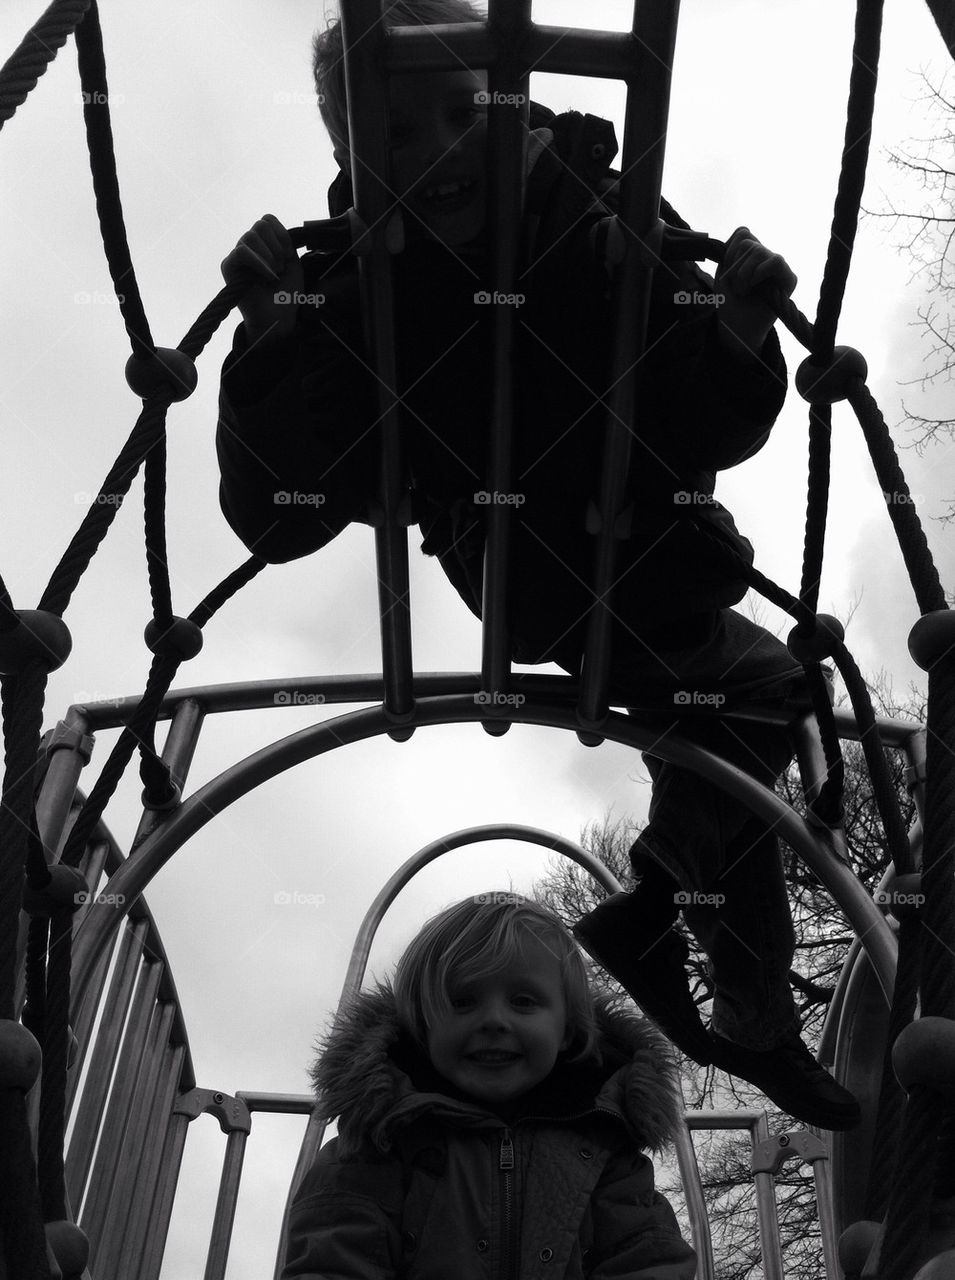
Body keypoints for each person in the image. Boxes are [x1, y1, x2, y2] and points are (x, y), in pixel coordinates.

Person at [217, 0, 860, 1128]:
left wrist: (734, 331)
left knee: (736, 730)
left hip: (634, 560)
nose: (440, 149)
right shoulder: (359, 290)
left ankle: (703, 947)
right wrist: (272, 347)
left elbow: (695, 414)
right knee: (763, 696)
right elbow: (284, 514)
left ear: (522, 111)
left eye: (467, 110)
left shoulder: (604, 218)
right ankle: (682, 922)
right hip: (555, 569)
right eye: (397, 135)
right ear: (350, 164)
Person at [281, 893, 696, 1280]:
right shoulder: (379, 1139)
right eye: (462, 1001)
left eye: (523, 1002)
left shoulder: (604, 1143)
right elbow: (334, 1258)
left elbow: (645, 1258)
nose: (494, 1020)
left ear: (566, 1030)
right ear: (423, 1025)